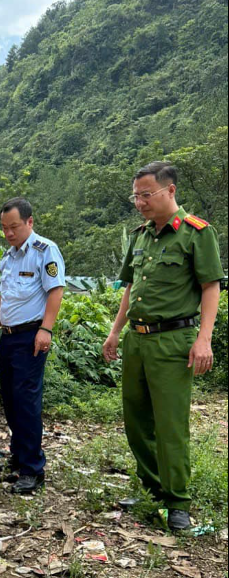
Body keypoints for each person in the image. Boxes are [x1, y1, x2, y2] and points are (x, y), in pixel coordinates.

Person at [102, 161, 224, 531]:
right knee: (137, 421)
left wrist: (204, 339)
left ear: (170, 191)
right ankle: (153, 489)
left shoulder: (196, 233)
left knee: (170, 424)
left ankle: (177, 502)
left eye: (146, 194)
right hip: (136, 340)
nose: (139, 202)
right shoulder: (140, 236)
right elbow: (129, 288)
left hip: (173, 340)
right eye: (135, 195)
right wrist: (114, 331)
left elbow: (210, 287)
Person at [0, 198, 65, 494]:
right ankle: (18, 457)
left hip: (32, 335)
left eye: (14, 226)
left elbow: (56, 290)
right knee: (11, 399)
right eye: (4, 228)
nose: (8, 233)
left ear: (30, 222)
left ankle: (33, 469)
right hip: (8, 335)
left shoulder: (45, 251)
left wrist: (46, 329)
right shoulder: (9, 257)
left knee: (27, 402)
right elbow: (5, 297)